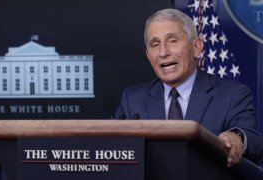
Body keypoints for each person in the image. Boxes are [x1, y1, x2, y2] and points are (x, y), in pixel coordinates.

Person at [112, 8, 263, 167]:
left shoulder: (232, 95)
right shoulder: (133, 99)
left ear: (196, 47)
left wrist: (237, 137)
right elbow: (106, 144)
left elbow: (254, 141)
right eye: (155, 44)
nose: (163, 52)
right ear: (149, 55)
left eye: (172, 40)